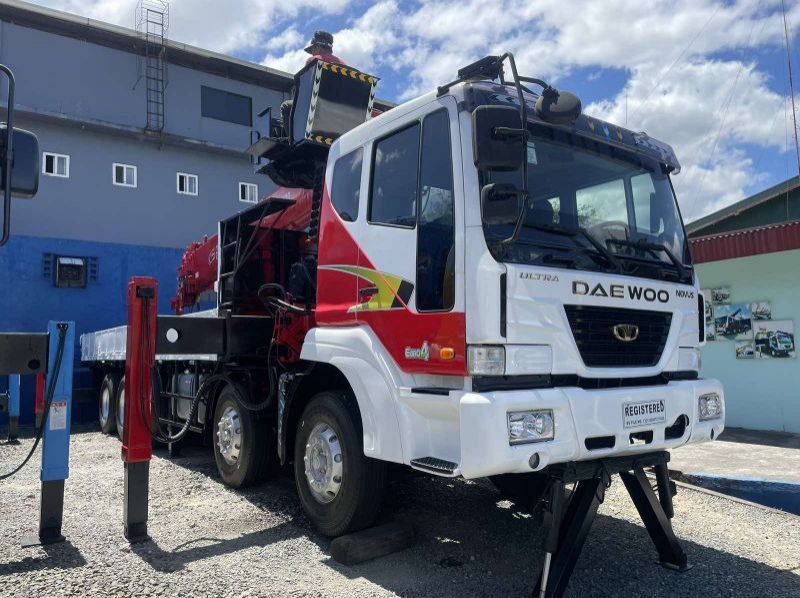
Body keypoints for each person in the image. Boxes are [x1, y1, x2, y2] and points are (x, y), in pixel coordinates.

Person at [281, 31, 346, 138]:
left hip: (318, 108)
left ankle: (292, 139)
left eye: (312, 50)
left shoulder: (314, 60)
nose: (312, 53)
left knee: (286, 106)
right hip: (339, 111)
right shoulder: (344, 64)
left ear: (318, 46)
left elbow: (306, 90)